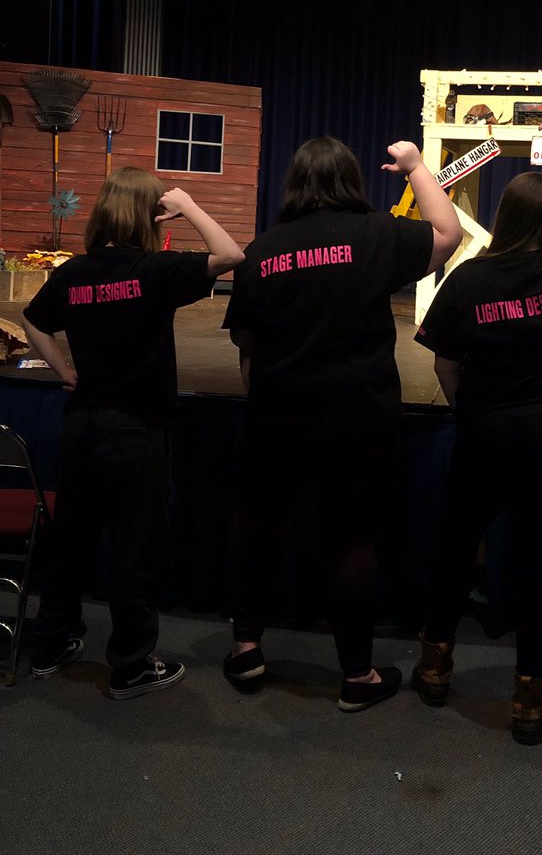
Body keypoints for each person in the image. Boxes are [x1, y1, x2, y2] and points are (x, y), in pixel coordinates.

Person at [412, 97, 542, 744]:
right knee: (539, 565)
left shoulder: (470, 282)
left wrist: (472, 409)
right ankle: (530, 697)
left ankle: (435, 662)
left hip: (488, 435)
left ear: (500, 218)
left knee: (454, 549)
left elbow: (446, 364)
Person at [223, 135, 461, 711]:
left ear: (294, 184)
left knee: (260, 528)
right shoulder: (375, 233)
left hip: (278, 414)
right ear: (351, 181)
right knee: (351, 540)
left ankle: (248, 650)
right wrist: (415, 168)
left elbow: (244, 340)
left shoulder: (262, 251)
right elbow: (448, 234)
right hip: (358, 416)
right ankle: (357, 677)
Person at [23, 168, 244, 699]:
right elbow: (231, 255)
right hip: (136, 430)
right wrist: (188, 205)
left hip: (82, 425)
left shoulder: (75, 272)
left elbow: (33, 321)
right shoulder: (153, 270)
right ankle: (130, 665)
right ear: (150, 216)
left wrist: (64, 371)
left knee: (70, 540)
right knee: (135, 547)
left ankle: (52, 643)